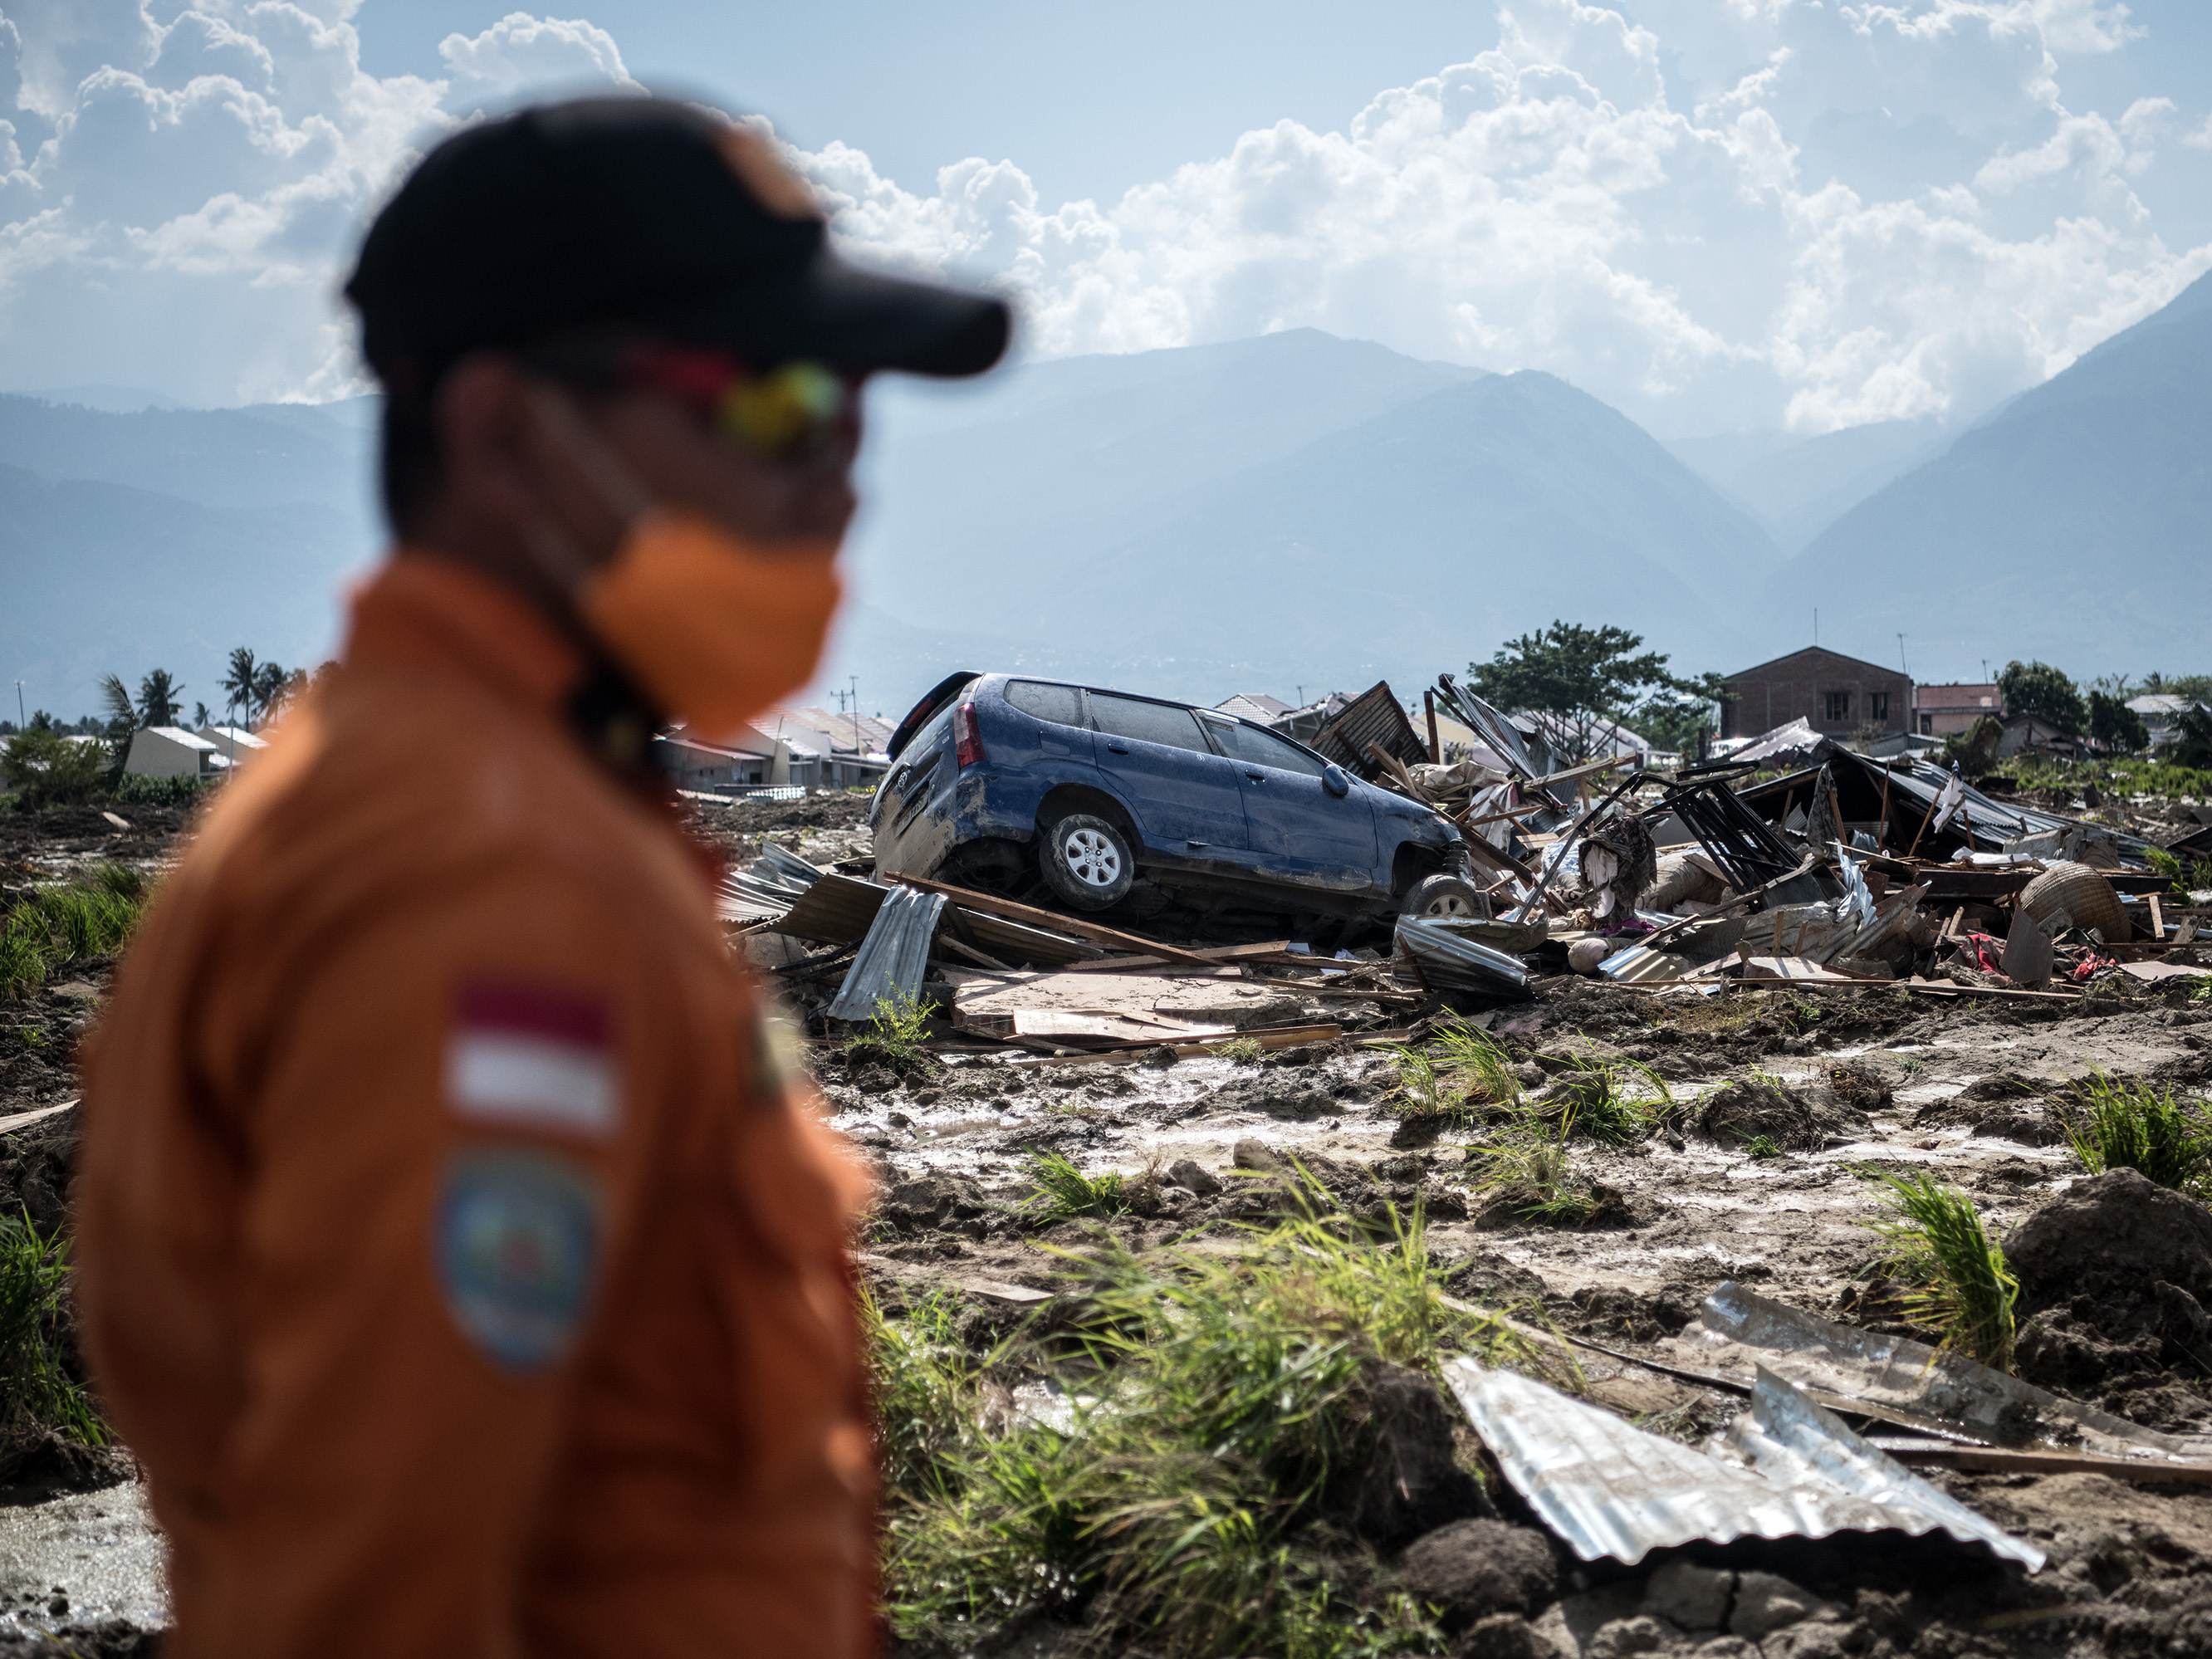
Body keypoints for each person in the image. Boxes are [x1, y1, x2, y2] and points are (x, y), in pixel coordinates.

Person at [74, 96, 1008, 1659]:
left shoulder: (441, 793)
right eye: (777, 405)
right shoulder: (487, 887)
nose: (841, 478)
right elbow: (372, 1600)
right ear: (507, 436)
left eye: (855, 413)